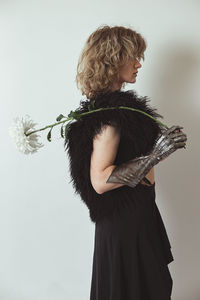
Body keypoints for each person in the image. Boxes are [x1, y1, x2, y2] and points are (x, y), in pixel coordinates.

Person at [64, 25, 187, 300]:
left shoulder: (116, 111)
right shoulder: (111, 117)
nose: (138, 63)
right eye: (133, 56)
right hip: (126, 224)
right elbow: (99, 180)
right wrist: (156, 154)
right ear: (114, 58)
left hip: (133, 218)